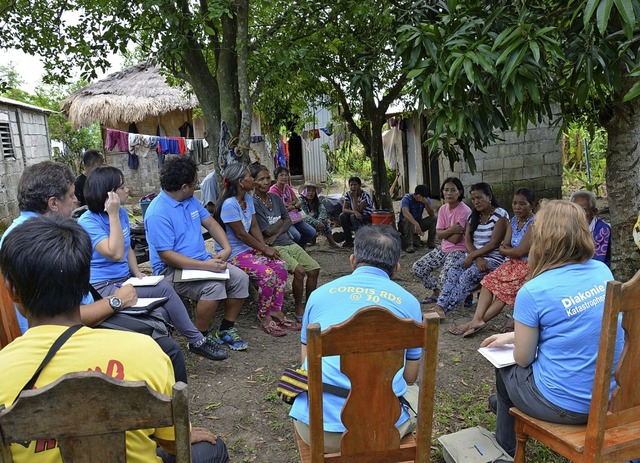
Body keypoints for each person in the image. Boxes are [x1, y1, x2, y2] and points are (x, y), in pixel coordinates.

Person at [0, 216, 229, 463]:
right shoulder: (145, 352)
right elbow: (174, 444)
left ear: (13, 292)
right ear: (83, 283)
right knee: (213, 450)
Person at [3, 161, 188, 382]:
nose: (76, 200)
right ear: (53, 203)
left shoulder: (19, 234)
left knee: (155, 323)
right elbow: (66, 316)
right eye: (71, 195)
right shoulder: (43, 240)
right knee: (168, 349)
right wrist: (115, 301)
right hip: (69, 335)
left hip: (66, 329)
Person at [479, 200, 623, 457]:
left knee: (505, 372)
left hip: (565, 405)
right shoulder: (603, 272)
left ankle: (505, 449)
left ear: (541, 239)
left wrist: (517, 341)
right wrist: (513, 335)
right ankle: (509, 406)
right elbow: (579, 325)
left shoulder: (533, 291)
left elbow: (523, 358)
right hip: (612, 398)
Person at [289, 225, 423, 452]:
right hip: (382, 430)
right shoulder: (410, 302)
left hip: (319, 431)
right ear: (396, 268)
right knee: (414, 391)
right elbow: (410, 376)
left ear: (352, 260)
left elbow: (307, 364)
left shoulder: (319, 295)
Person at [78, 166, 224, 361]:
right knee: (164, 290)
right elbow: (114, 253)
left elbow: (127, 246)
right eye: (122, 187)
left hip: (124, 280)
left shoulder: (121, 213)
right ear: (109, 194)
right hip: (101, 287)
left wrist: (137, 273)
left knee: (161, 308)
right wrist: (112, 215)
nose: (127, 190)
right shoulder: (88, 222)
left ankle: (166, 352)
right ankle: (197, 341)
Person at [145, 156, 250, 354]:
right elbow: (166, 256)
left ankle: (226, 329)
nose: (197, 186)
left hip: (201, 262)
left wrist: (226, 248)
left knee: (240, 279)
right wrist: (207, 266)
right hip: (171, 270)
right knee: (214, 288)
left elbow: (210, 223)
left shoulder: (189, 200)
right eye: (195, 183)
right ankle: (199, 339)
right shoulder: (158, 212)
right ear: (184, 186)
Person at [214, 163, 290, 337]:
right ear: (241, 182)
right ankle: (264, 316)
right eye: (250, 176)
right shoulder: (229, 205)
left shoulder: (248, 199)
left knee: (281, 266)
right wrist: (263, 248)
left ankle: (276, 310)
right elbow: (241, 234)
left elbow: (254, 226)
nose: (253, 180)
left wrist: (265, 248)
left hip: (248, 249)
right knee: (268, 274)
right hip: (233, 253)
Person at [449, 188, 535, 337]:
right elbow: (506, 246)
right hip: (512, 264)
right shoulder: (514, 221)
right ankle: (477, 319)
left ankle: (473, 323)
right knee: (487, 282)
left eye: (522, 204)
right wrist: (509, 251)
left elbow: (519, 251)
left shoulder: (534, 224)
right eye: (515, 203)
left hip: (527, 267)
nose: (517, 207)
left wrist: (508, 250)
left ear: (531, 205)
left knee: (502, 294)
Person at [251, 165, 321, 324]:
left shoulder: (275, 198)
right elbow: (266, 231)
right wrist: (280, 223)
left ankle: (309, 304)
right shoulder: (254, 204)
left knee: (314, 268)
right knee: (300, 271)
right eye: (261, 179)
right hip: (274, 246)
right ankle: (298, 306)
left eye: (268, 178)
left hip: (286, 241)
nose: (266, 182)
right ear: (253, 182)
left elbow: (288, 220)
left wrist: (277, 229)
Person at [430, 182, 508, 319]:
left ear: (489, 196)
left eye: (479, 198)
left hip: (494, 259)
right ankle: (439, 306)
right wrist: (476, 257)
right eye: (473, 199)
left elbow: (494, 243)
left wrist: (474, 256)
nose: (476, 202)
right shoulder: (473, 216)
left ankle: (444, 310)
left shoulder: (500, 215)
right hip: (475, 257)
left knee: (467, 276)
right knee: (454, 270)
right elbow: (468, 241)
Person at [413, 178, 471, 304]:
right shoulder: (443, 208)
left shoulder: (464, 211)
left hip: (459, 250)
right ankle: (437, 292)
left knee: (444, 276)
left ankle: (465, 294)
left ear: (460, 192)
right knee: (418, 267)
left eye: (453, 190)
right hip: (444, 248)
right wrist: (450, 230)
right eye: (446, 190)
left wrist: (444, 232)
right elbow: (438, 235)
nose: (449, 193)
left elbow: (455, 240)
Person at [269, 166, 317, 248]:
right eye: (281, 175)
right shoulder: (273, 191)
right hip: (283, 220)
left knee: (312, 232)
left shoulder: (287, 187)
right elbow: (279, 209)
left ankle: (300, 247)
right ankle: (293, 249)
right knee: (296, 235)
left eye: (286, 175)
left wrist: (292, 206)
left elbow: (298, 202)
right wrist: (292, 205)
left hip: (294, 217)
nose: (284, 177)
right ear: (276, 177)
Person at [570, 190, 611, 267]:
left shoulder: (602, 230)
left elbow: (597, 261)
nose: (578, 214)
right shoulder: (568, 227)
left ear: (594, 212)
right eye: (575, 209)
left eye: (584, 210)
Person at [298, 181, 339, 248]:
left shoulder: (317, 201)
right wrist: (317, 223)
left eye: (313, 191)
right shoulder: (301, 201)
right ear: (304, 192)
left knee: (325, 222)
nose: (310, 193)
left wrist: (320, 221)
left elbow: (323, 211)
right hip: (305, 222)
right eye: (308, 191)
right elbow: (304, 216)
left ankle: (332, 243)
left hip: (317, 222)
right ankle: (306, 242)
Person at [398, 184, 437, 253]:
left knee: (434, 218)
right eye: (419, 197)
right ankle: (409, 244)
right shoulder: (407, 198)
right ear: (416, 194)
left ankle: (431, 242)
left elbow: (432, 214)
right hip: (405, 226)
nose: (420, 199)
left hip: (418, 224)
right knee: (408, 219)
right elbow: (405, 213)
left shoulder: (426, 200)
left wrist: (426, 203)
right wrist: (416, 224)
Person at [339, 176, 374, 248]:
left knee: (353, 216)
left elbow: (359, 210)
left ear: (359, 185)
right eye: (351, 185)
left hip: (367, 216)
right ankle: (348, 241)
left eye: (355, 185)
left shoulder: (365, 195)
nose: (353, 187)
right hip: (356, 215)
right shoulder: (348, 194)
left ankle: (360, 241)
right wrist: (354, 212)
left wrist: (354, 197)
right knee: (342, 216)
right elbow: (344, 209)